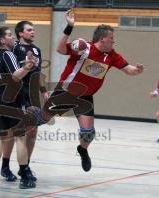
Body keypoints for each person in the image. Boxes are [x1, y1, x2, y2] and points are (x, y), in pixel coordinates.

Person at [29, 9, 144, 172]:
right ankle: (23, 130)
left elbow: (128, 69)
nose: (114, 42)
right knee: (42, 119)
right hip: (65, 93)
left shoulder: (111, 55)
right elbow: (60, 50)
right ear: (103, 39)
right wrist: (69, 27)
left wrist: (137, 70)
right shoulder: (84, 48)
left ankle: (82, 150)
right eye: (112, 39)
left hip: (85, 98)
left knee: (88, 133)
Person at [0, 26, 36, 189]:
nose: (13, 38)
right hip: (13, 100)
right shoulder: (8, 54)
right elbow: (14, 77)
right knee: (20, 138)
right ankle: (24, 176)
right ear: (2, 41)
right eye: (10, 35)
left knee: (0, 137)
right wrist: (27, 67)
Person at [0, 21, 49, 182]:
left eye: (33, 30)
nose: (33, 32)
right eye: (29, 30)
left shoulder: (37, 50)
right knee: (14, 131)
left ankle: (25, 167)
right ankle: (5, 167)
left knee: (33, 131)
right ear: (20, 33)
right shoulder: (13, 49)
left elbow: (37, 74)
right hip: (17, 94)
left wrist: (44, 91)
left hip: (32, 95)